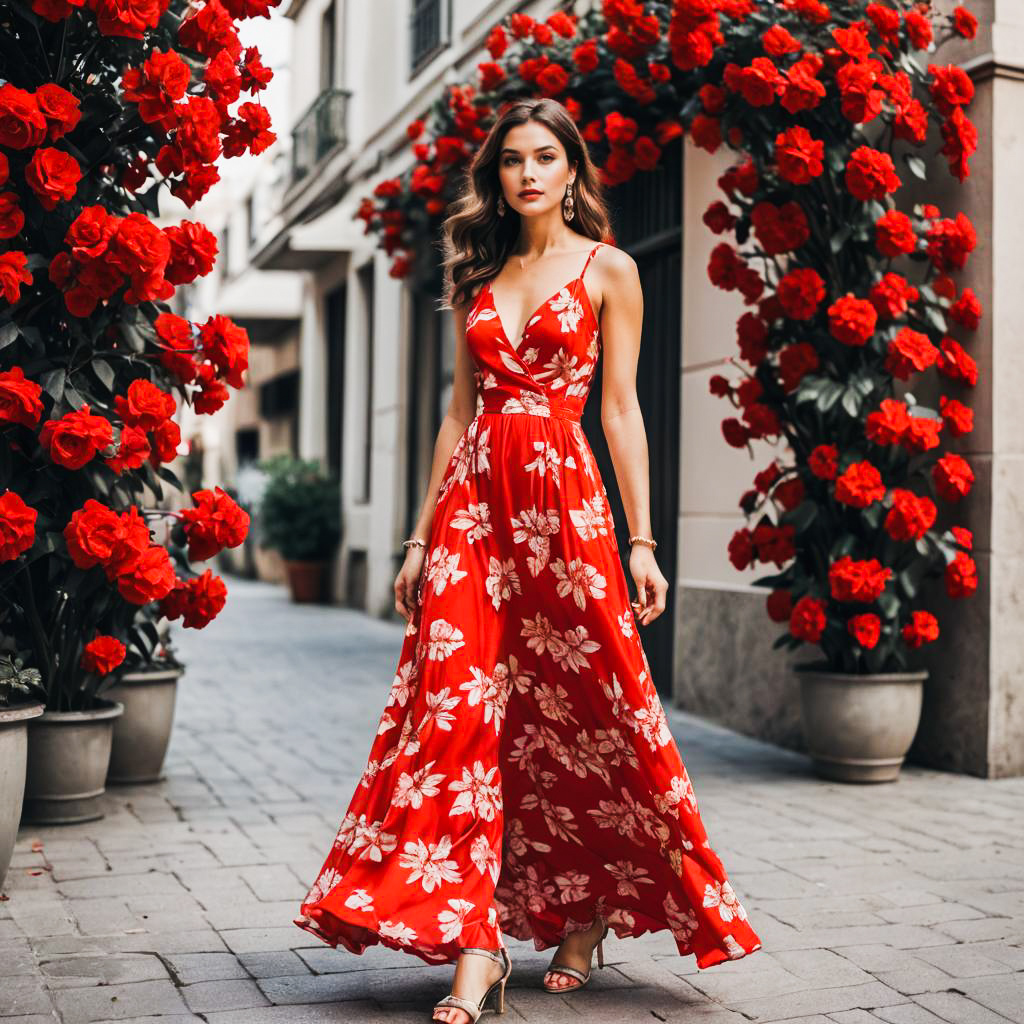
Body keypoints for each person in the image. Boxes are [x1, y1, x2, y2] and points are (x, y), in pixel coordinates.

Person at [294, 96, 762, 1023]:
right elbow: (457, 415)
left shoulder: (608, 270)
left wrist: (643, 541)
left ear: (573, 169)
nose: (530, 173)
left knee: (593, 709)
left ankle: (585, 913)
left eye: (547, 156)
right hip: (475, 509)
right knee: (456, 711)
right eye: (513, 160)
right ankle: (478, 946)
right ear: (497, 177)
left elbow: (620, 410)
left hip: (564, 509)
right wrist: (420, 537)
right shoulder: (474, 276)